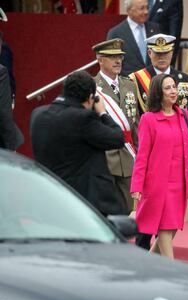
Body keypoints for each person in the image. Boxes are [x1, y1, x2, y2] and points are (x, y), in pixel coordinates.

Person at [129, 33, 188, 250]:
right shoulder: (148, 116)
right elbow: (143, 155)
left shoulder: (184, 114)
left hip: (180, 181)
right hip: (159, 182)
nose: (174, 90)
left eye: (174, 87)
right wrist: (137, 186)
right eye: (168, 88)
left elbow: (186, 140)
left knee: (170, 230)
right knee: (163, 232)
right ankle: (172, 278)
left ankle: (146, 268)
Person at [30, 70, 125, 216]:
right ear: (90, 98)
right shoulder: (83, 118)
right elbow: (117, 138)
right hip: (83, 203)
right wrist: (103, 113)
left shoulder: (38, 115)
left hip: (49, 197)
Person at [93, 38, 139, 215]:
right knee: (105, 213)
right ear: (100, 59)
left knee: (130, 211)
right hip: (104, 159)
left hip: (128, 158)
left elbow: (135, 124)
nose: (118, 61)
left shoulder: (129, 85)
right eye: (112, 57)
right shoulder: (91, 86)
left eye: (120, 56)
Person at [130, 33, 188, 116]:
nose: (162, 57)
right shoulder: (136, 79)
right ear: (149, 53)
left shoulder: (186, 80)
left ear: (171, 52)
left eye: (166, 52)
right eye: (158, 53)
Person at [107, 0, 160, 76]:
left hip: (153, 82)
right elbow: (112, 64)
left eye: (147, 8)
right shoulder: (116, 33)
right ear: (129, 10)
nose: (146, 12)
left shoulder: (155, 29)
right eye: (142, 8)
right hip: (128, 83)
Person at [148, 0, 183, 66]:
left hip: (160, 56)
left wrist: (168, 63)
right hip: (137, 58)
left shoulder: (172, 2)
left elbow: (174, 35)